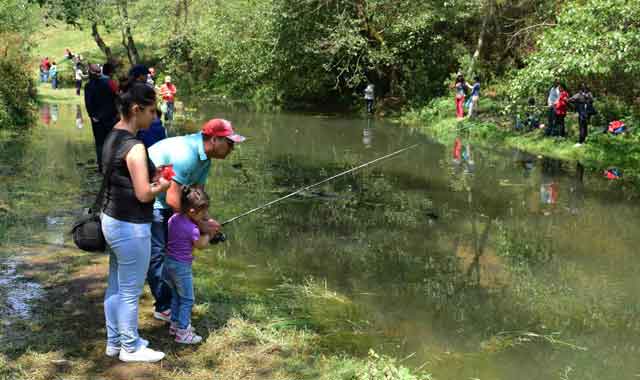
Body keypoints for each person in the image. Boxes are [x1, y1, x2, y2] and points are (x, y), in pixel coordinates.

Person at [147, 118, 244, 322]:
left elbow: (197, 192)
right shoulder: (187, 154)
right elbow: (173, 198)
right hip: (152, 201)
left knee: (171, 252)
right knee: (158, 254)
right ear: (215, 139)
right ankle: (163, 306)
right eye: (230, 143)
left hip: (168, 202)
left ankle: (170, 299)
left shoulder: (205, 158)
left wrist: (208, 219)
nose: (232, 148)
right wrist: (201, 226)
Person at [101, 82, 171, 363]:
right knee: (129, 291)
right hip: (130, 226)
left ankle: (114, 342)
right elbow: (143, 194)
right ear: (135, 109)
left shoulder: (112, 136)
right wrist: (162, 186)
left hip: (112, 219)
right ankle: (131, 348)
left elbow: (122, 180)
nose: (154, 118)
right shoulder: (136, 146)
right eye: (151, 112)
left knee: (116, 287)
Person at [164, 186, 213, 344]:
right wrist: (209, 233)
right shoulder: (192, 229)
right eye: (202, 212)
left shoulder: (174, 218)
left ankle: (175, 325)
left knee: (176, 296)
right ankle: (183, 332)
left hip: (169, 263)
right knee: (187, 299)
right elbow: (200, 245)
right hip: (181, 267)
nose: (205, 215)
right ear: (192, 211)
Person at [85, 63, 120, 172]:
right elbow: (117, 96)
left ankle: (102, 166)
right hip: (111, 117)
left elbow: (88, 103)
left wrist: (92, 115)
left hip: (98, 119)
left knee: (100, 143)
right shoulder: (109, 82)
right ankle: (112, 166)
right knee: (112, 141)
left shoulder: (89, 85)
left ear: (90, 72)